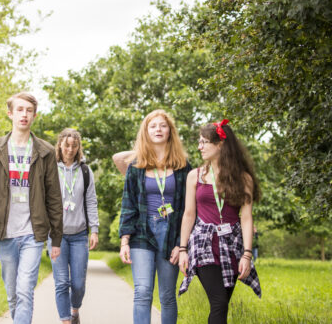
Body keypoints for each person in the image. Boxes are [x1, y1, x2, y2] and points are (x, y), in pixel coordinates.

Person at [0, 92, 63, 324]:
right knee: (13, 294)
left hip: (33, 232)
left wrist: (56, 237)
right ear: (10, 113)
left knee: (24, 290)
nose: (24, 114)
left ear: (34, 115)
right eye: (20, 110)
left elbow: (54, 197)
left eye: (29, 110)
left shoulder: (45, 152)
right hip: (5, 232)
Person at [179, 119, 262, 324]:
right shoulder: (194, 176)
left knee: (223, 302)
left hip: (232, 245)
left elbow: (246, 217)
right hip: (203, 244)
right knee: (219, 302)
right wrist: (182, 249)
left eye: (204, 142)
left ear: (220, 144)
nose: (199, 147)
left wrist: (247, 255)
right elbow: (189, 214)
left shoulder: (244, 179)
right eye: (199, 142)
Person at [116, 109, 191, 324]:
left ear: (170, 131)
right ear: (146, 132)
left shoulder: (183, 167)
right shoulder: (136, 167)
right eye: (153, 126)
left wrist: (181, 244)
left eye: (163, 125)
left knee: (167, 296)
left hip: (171, 234)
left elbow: (189, 209)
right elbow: (128, 205)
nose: (158, 129)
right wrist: (124, 241)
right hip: (142, 232)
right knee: (142, 292)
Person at [51, 128, 100, 324]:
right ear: (60, 145)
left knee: (78, 283)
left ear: (78, 147)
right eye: (66, 145)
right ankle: (65, 320)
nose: (70, 149)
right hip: (56, 236)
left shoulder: (85, 171)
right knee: (62, 282)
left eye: (74, 145)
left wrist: (94, 229)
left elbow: (91, 201)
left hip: (79, 234)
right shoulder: (51, 169)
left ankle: (74, 311)